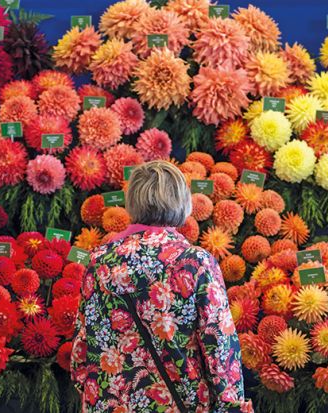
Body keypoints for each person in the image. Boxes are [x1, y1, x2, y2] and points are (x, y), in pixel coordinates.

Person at [70, 160, 252, 413]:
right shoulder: (194, 262)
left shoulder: (99, 261)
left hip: (114, 403)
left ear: (132, 202)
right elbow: (220, 346)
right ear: (182, 202)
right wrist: (230, 406)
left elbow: (82, 346)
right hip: (180, 403)